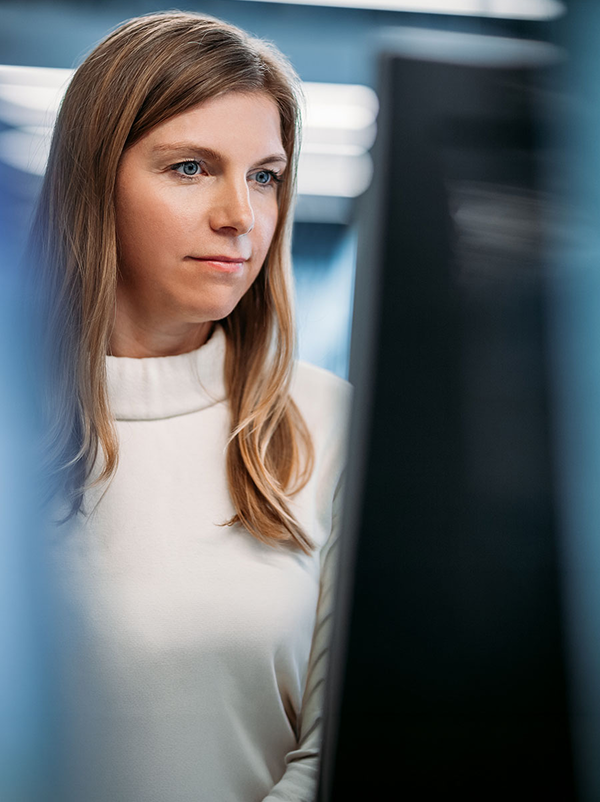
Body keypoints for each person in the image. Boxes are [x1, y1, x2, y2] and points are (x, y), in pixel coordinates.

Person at [24, 9, 352, 802]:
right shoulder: (12, 421)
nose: (241, 215)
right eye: (191, 168)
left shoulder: (332, 423)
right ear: (94, 182)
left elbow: (337, 753)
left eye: (265, 176)